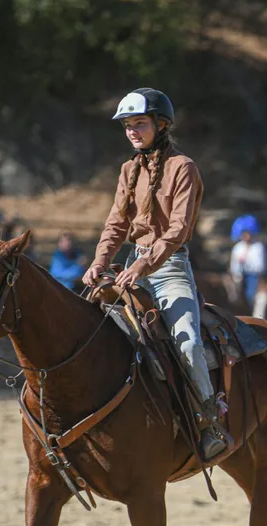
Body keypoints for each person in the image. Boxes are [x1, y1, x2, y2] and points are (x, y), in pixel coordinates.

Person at [81, 87, 228, 460]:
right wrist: (100, 261)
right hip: (131, 264)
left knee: (188, 342)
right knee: (87, 329)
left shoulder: (184, 168)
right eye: (127, 125)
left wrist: (143, 265)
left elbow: (178, 228)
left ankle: (209, 421)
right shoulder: (128, 170)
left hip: (169, 266)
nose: (132, 131)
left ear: (161, 125)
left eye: (139, 123)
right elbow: (116, 223)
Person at [229, 224, 267, 306]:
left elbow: (260, 267)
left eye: (248, 233)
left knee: (250, 294)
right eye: (244, 233)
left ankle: (250, 307)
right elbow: (233, 265)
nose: (246, 236)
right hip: (238, 275)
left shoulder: (258, 247)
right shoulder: (238, 247)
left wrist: (246, 265)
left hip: (253, 276)